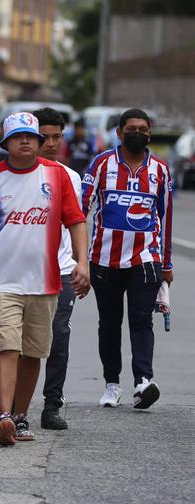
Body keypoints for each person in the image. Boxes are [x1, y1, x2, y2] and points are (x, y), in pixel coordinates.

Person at [0, 112, 89, 446]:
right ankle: (4, 415)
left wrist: (82, 263)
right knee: (7, 348)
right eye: (17, 137)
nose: (25, 142)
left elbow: (76, 220)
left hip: (45, 283)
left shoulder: (57, 177)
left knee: (33, 353)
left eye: (31, 137)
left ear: (39, 142)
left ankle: (20, 417)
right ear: (6, 144)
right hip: (2, 283)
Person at [82, 108, 173, 410]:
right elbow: (81, 209)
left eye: (143, 129)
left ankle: (143, 382)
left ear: (150, 133)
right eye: (131, 128)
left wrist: (167, 263)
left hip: (146, 259)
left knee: (141, 320)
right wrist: (75, 256)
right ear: (119, 133)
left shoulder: (159, 169)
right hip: (104, 259)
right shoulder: (101, 164)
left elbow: (166, 216)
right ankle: (111, 384)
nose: (138, 133)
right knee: (109, 323)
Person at [32, 107, 83, 430]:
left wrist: (81, 264)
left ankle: (52, 404)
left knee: (58, 337)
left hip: (61, 271)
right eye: (44, 137)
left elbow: (76, 222)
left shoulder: (71, 177)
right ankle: (11, 407)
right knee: (21, 343)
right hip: (23, 272)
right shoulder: (7, 174)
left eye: (56, 137)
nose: (51, 144)